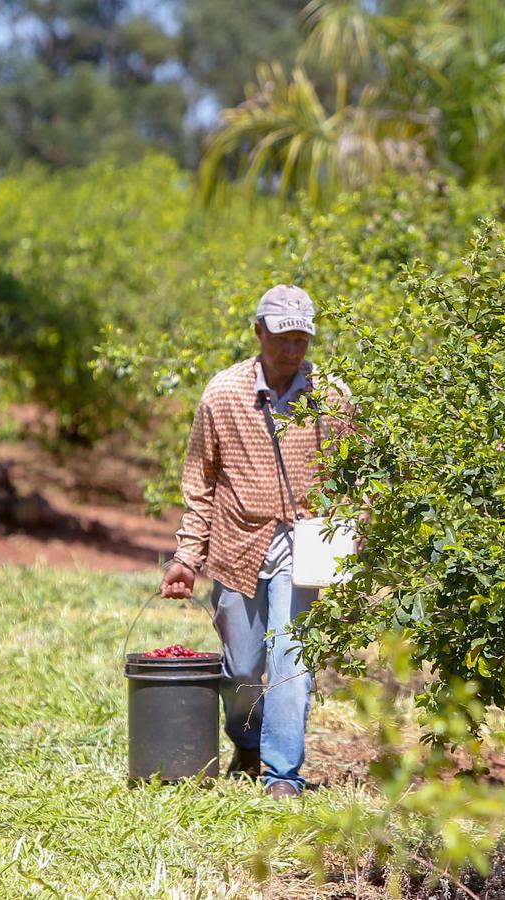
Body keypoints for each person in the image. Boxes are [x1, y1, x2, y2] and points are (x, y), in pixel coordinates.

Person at [159, 283, 351, 799]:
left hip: (305, 547)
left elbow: (355, 476)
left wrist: (350, 535)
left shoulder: (331, 397)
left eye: (302, 339)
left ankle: (282, 775)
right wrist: (186, 556)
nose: (292, 350)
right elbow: (200, 481)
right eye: (282, 337)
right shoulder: (223, 393)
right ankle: (246, 738)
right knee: (241, 666)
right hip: (236, 544)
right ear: (258, 332)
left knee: (292, 659)